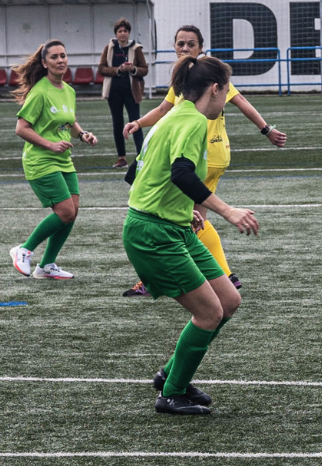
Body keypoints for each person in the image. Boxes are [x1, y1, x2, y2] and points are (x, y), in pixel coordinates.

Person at [122, 55, 259, 414]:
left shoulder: (172, 117)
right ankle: (171, 394)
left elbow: (136, 174)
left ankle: (171, 375)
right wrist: (226, 211)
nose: (226, 97)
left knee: (229, 301)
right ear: (214, 89)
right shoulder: (195, 121)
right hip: (153, 234)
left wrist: (183, 211)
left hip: (172, 225)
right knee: (210, 313)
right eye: (226, 91)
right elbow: (182, 173)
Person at [120, 25, 286, 296]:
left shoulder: (205, 82)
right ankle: (219, 275)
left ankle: (174, 277)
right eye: (180, 44)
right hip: (177, 179)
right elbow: (164, 112)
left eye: (190, 44)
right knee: (194, 221)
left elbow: (239, 101)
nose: (184, 49)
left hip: (203, 158)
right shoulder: (188, 95)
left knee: (191, 220)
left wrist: (266, 129)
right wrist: (139, 122)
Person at [9, 40, 98, 280]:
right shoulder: (40, 91)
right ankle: (24, 250)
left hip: (62, 160)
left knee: (73, 211)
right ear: (44, 63)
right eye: (55, 57)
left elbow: (68, 120)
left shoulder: (68, 90)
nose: (60, 60)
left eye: (63, 56)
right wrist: (50, 144)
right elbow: (21, 128)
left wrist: (82, 134)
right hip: (41, 160)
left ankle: (46, 265)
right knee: (65, 211)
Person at [98, 18, 149, 169]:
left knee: (136, 122)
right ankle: (122, 157)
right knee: (117, 123)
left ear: (129, 33)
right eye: (120, 31)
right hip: (114, 92)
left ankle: (141, 156)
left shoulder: (136, 48)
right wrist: (118, 70)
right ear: (116, 34)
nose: (122, 34)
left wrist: (133, 69)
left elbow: (144, 69)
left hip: (132, 92)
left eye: (125, 31)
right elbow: (101, 68)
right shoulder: (109, 48)